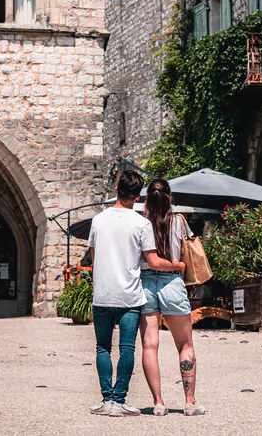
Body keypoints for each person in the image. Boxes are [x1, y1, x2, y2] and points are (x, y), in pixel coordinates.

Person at [88, 170, 186, 417]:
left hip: (102, 293)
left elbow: (93, 256)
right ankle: (119, 400)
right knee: (127, 349)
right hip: (129, 295)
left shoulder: (98, 220)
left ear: (116, 190)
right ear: (137, 195)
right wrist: (178, 266)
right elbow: (153, 261)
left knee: (102, 349)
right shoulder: (141, 224)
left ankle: (106, 399)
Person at [139, 178, 205, 416]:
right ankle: (189, 401)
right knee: (185, 344)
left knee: (149, 345)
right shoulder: (179, 221)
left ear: (147, 198)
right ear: (169, 197)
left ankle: (158, 402)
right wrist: (178, 264)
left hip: (145, 284)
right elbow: (189, 248)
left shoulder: (140, 223)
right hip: (172, 283)